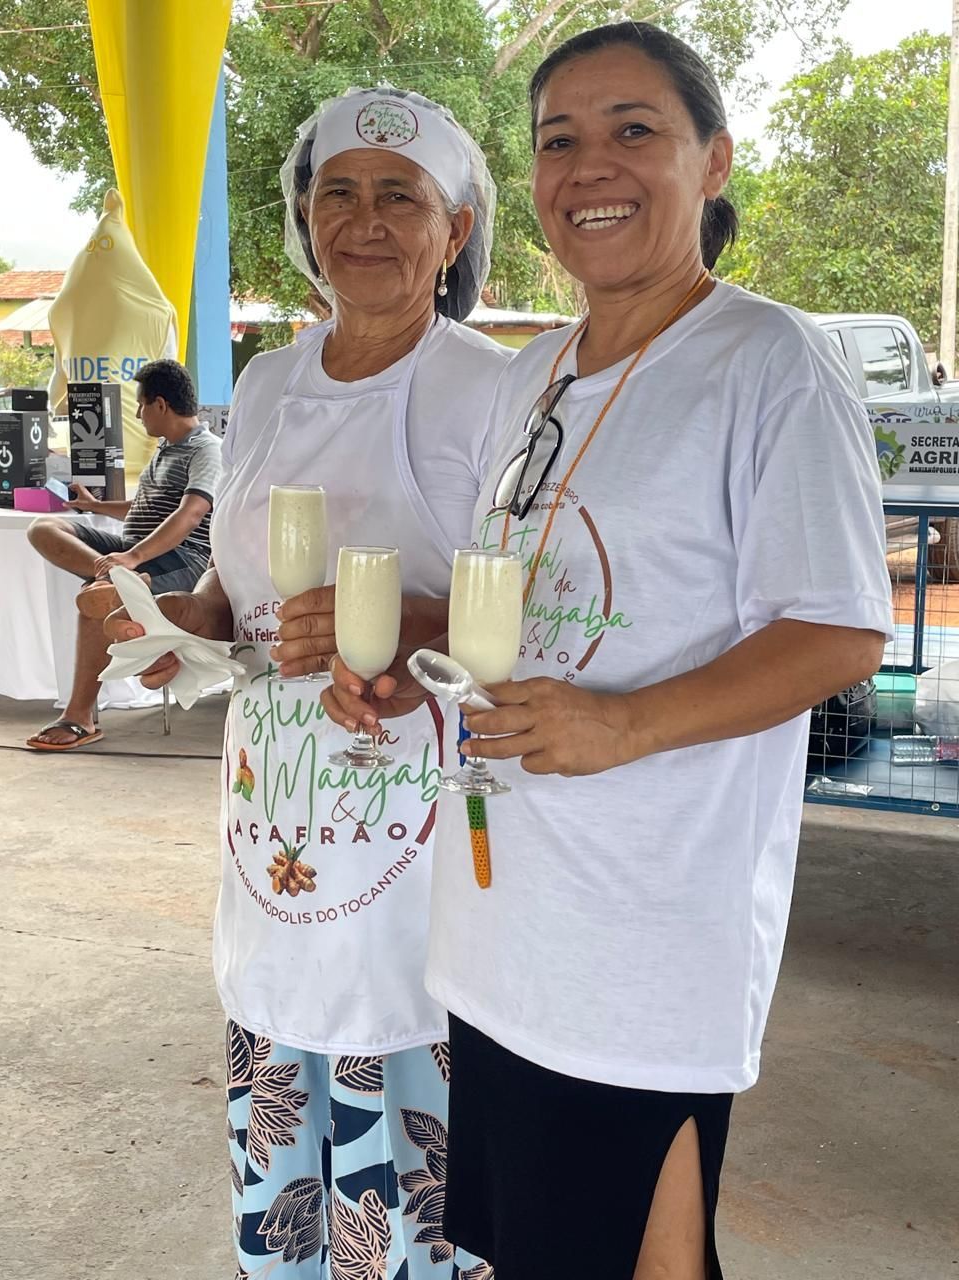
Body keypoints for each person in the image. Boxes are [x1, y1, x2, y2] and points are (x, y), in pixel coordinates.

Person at [321, 25, 894, 1280]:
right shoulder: (535, 375)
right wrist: (400, 662)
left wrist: (623, 723)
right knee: (528, 1252)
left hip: (646, 943)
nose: (593, 166)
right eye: (558, 140)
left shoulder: (769, 363)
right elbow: (515, 601)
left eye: (635, 129)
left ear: (715, 160)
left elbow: (843, 624)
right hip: (500, 925)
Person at [105, 87, 507, 1279]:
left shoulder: (498, 389)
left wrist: (404, 625)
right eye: (339, 192)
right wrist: (176, 618)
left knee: (410, 1133)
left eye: (401, 197)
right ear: (303, 215)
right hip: (277, 813)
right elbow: (239, 591)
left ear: (457, 228)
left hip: (414, 812)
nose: (365, 221)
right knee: (283, 1116)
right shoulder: (271, 382)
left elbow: (536, 610)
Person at [25, 359, 220, 751]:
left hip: (182, 561)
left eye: (141, 405)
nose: (137, 414)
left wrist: (132, 558)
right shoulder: (165, 450)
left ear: (160, 405)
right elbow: (144, 508)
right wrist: (96, 507)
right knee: (43, 528)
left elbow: (192, 511)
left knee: (97, 602)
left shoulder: (206, 449)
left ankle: (78, 717)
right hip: (135, 555)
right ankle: (114, 582)